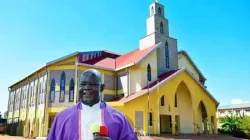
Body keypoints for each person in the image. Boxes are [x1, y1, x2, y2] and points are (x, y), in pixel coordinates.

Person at [47, 69, 138, 140]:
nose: (87, 88)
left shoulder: (118, 118)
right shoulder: (62, 118)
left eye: (92, 84)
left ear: (102, 88)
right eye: (83, 84)